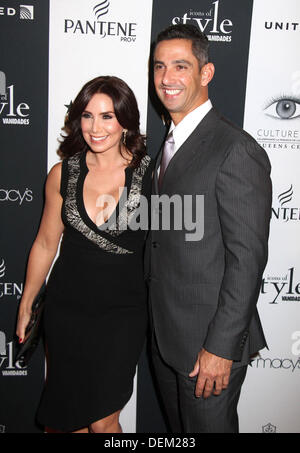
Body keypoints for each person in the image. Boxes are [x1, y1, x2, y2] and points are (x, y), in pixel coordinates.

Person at [148, 24, 272, 433]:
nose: (167, 78)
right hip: (168, 338)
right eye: (160, 66)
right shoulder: (166, 146)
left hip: (209, 346)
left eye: (181, 66)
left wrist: (220, 348)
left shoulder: (236, 149)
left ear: (206, 73)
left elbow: (247, 260)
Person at [16, 76, 153, 433]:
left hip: (123, 314)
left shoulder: (152, 174)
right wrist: (27, 303)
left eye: (107, 116)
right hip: (67, 311)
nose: (96, 127)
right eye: (87, 116)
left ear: (125, 120)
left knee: (104, 420)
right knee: (70, 419)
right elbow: (46, 243)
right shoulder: (62, 174)